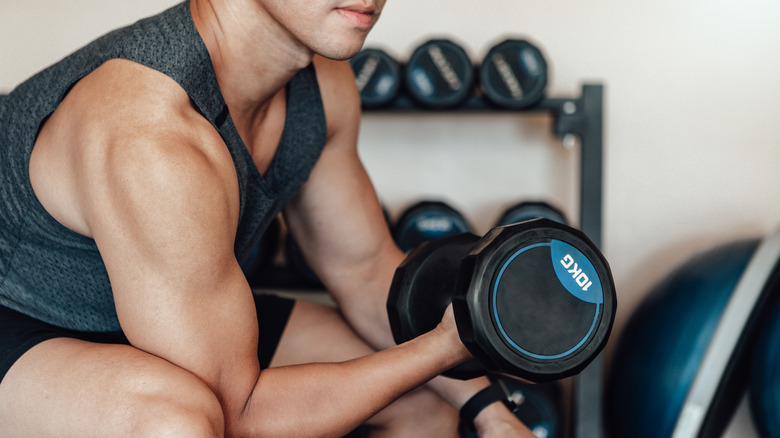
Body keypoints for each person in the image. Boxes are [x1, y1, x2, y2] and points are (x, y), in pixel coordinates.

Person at [0, 0, 536, 436]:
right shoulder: (152, 132)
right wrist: (444, 345)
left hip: (180, 313)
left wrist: (489, 412)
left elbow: (365, 270)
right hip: (25, 321)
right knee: (176, 424)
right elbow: (245, 412)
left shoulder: (325, 86)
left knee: (424, 400)